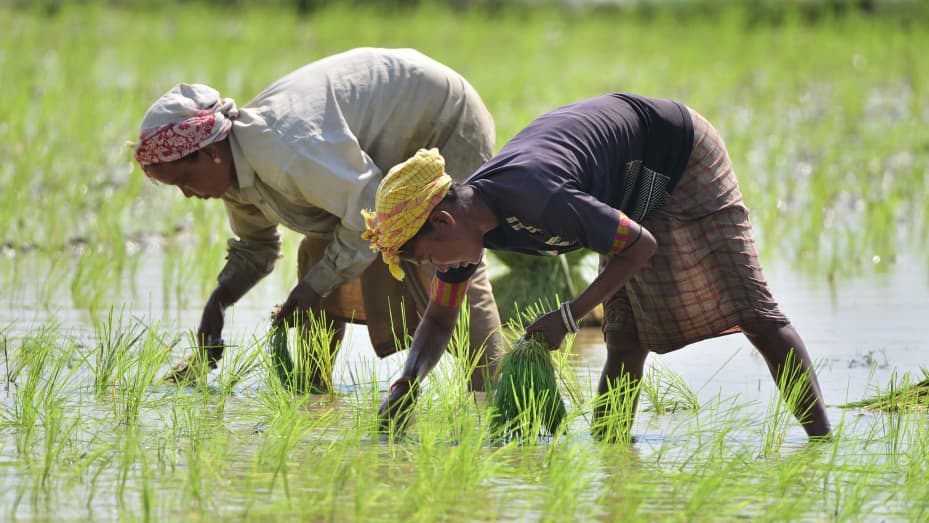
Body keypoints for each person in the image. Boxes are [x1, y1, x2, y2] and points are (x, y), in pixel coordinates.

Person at [365, 93, 831, 439]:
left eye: (427, 257)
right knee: (625, 336)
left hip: (679, 155)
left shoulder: (536, 196)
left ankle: (821, 442)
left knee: (754, 312)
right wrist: (408, 379)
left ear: (443, 221)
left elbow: (640, 245)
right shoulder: (468, 229)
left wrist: (568, 317)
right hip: (622, 190)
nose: (434, 267)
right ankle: (613, 455)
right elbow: (442, 315)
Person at [132, 47, 503, 390]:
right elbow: (256, 248)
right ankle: (312, 389)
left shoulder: (285, 150)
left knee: (450, 262)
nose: (186, 194)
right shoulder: (235, 176)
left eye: (184, 180)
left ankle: (496, 397)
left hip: (440, 119)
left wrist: (313, 286)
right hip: (380, 150)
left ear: (211, 152)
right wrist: (219, 302)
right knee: (318, 256)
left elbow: (368, 214)